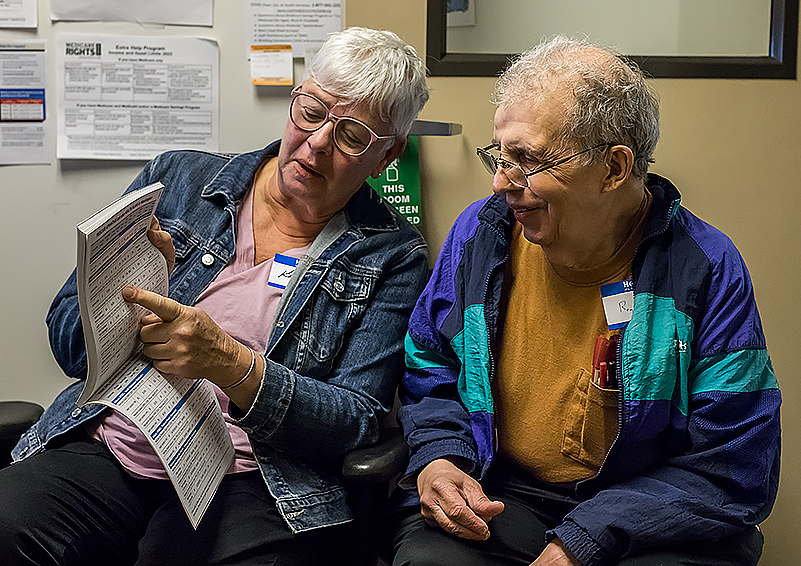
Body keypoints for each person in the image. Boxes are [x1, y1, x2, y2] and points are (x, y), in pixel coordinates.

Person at [0, 27, 430, 566]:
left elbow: (356, 418)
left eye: (351, 137)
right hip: (116, 443)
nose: (318, 141)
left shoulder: (394, 253)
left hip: (258, 477)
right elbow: (65, 332)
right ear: (296, 99)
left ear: (387, 154)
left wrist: (231, 364)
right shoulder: (177, 178)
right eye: (312, 111)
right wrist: (127, 295)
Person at [383, 36, 780, 566]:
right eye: (499, 156)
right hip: (510, 492)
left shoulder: (704, 268)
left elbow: (736, 462)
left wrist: (582, 540)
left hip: (655, 509)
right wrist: (440, 457)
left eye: (527, 160)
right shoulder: (480, 235)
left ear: (614, 169)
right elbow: (429, 362)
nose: (502, 182)